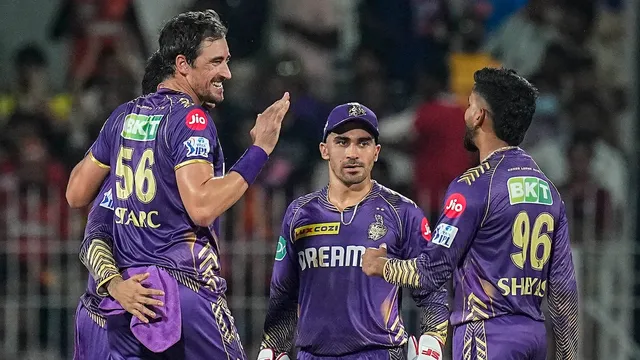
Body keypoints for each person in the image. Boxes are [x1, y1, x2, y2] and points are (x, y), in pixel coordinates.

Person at [66, 9, 290, 359]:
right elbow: (201, 207)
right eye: (216, 62)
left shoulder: (124, 116)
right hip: (181, 286)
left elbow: (76, 192)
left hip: (124, 292)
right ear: (183, 64)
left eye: (227, 61)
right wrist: (259, 150)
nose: (227, 73)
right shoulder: (191, 117)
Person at [362, 68, 578, 360]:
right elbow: (563, 290)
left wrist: (382, 265)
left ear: (480, 116)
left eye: (469, 106)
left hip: (486, 335)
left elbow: (431, 272)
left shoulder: (473, 186)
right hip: (534, 337)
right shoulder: (549, 190)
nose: (465, 115)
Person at [259, 102, 449, 360]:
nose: (353, 153)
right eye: (342, 142)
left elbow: (432, 287)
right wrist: (271, 348)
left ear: (376, 151)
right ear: (324, 150)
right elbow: (283, 294)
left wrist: (431, 345)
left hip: (380, 354)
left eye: (363, 143)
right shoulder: (299, 213)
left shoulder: (403, 212)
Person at [73, 53, 179, 360]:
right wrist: (115, 284)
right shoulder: (127, 173)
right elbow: (93, 237)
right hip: (105, 320)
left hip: (149, 320)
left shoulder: (183, 173)